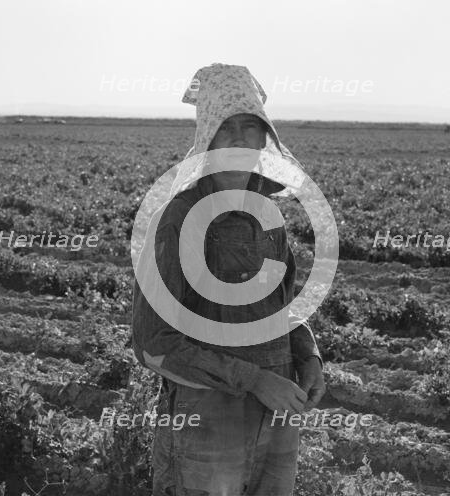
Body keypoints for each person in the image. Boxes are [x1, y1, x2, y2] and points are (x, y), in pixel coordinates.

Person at [132, 63, 325, 496]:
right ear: (207, 139)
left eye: (250, 127)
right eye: (226, 127)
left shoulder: (268, 215)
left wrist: (308, 356)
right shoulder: (177, 218)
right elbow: (153, 342)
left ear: (265, 138)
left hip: (277, 420)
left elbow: (283, 306)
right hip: (207, 424)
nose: (239, 138)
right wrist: (255, 380)